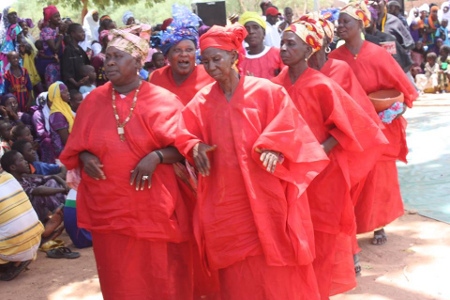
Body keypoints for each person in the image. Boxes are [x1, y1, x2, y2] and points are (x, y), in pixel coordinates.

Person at [176, 23, 330, 300]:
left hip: (267, 191)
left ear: (234, 57)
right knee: (237, 270)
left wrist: (277, 148)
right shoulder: (201, 102)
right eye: (206, 61)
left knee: (276, 262)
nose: (210, 67)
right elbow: (183, 135)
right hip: (227, 197)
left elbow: (291, 128)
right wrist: (194, 147)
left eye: (217, 59)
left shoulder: (267, 92)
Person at [59, 25, 194, 299]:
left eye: (118, 56)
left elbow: (184, 148)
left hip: (153, 207)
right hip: (109, 208)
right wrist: (85, 156)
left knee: (159, 275)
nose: (109, 62)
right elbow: (76, 147)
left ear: (137, 61)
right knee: (117, 276)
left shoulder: (164, 100)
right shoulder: (92, 101)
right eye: (108, 56)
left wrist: (156, 157)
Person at [273, 16, 387, 299]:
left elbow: (348, 126)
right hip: (291, 173)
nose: (283, 49)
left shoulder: (322, 84)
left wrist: (316, 152)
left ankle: (321, 290)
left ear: (309, 48)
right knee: (295, 232)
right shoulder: (275, 85)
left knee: (323, 232)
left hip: (324, 172)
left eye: (291, 44)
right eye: (282, 44)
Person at [329, 0, 418, 245]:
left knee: (378, 179)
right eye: (339, 22)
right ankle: (351, 227)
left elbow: (404, 90)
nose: (340, 26)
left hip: (380, 126)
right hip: (350, 128)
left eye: (345, 21)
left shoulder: (378, 54)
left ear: (360, 23)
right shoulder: (334, 58)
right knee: (353, 177)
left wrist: (392, 111)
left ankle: (379, 224)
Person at [150, 5, 214, 106]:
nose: (184, 54)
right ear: (167, 56)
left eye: (189, 50)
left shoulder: (210, 75)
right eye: (177, 50)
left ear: (196, 53)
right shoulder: (156, 77)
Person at [0, 172, 44, 281]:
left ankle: (12, 261)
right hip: (35, 240)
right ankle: (18, 260)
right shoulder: (9, 177)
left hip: (14, 247)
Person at [239, 11, 284, 79]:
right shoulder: (240, 60)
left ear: (264, 33)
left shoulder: (278, 54)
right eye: (247, 29)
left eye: (255, 27)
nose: (251, 31)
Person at [48, 82, 74, 159]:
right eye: (64, 92)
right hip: (65, 152)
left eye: (67, 91)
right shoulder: (57, 114)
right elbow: (65, 139)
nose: (68, 93)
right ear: (57, 95)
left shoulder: (65, 108)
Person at [39, 5, 63, 88]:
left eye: (59, 15)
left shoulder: (56, 29)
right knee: (54, 89)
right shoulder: (47, 31)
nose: (59, 18)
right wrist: (60, 35)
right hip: (50, 65)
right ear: (49, 19)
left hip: (58, 63)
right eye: (56, 16)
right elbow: (55, 49)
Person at [61, 23, 90, 90]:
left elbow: (87, 64)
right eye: (80, 32)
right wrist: (76, 84)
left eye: (83, 32)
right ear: (73, 33)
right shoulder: (68, 50)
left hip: (82, 85)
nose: (83, 34)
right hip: (73, 87)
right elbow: (66, 72)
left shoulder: (80, 49)